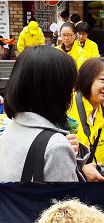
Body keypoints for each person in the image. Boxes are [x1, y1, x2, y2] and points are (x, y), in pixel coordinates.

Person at [0, 46, 89, 182]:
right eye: (69, 88)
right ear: (56, 91)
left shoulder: (10, 127)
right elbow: (70, 201)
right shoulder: (56, 147)